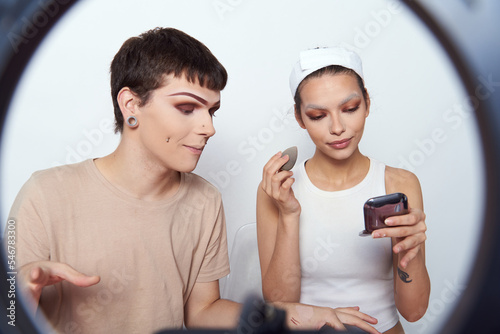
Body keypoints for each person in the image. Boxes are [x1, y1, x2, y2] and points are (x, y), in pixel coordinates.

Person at [7, 29, 382, 334]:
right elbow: (11, 313)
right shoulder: (44, 194)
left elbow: (203, 312)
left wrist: (304, 316)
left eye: (212, 110)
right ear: (131, 106)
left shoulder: (204, 200)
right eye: (187, 108)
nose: (208, 127)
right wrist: (15, 300)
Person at [257, 47, 431, 334]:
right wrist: (289, 214)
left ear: (367, 104)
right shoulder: (277, 189)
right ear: (300, 119)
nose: (337, 128)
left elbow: (414, 312)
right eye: (317, 115)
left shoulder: (400, 184)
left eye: (350, 109)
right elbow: (280, 304)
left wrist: (409, 249)